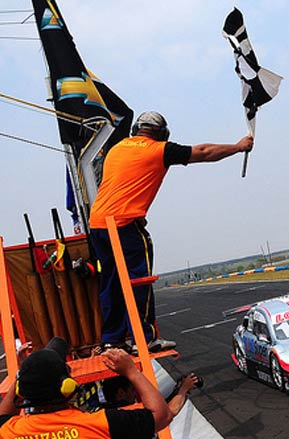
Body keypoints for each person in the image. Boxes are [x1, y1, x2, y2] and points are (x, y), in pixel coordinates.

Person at [89, 111, 254, 352]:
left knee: (112, 283)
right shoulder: (157, 149)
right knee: (138, 281)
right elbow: (204, 152)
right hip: (124, 225)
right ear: (160, 133)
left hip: (99, 226)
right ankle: (144, 339)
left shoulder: (118, 148)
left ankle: (111, 339)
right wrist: (238, 147)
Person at [0, 337, 173, 438]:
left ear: (20, 392)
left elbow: (3, 415)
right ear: (67, 387)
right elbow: (162, 415)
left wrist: (23, 374)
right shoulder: (99, 423)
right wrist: (132, 371)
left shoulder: (9, 431)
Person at [98, 372, 202, 416]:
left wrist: (176, 391)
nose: (136, 392)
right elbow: (166, 414)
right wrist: (183, 389)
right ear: (121, 393)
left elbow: (158, 408)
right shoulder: (128, 414)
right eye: (133, 389)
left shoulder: (108, 411)